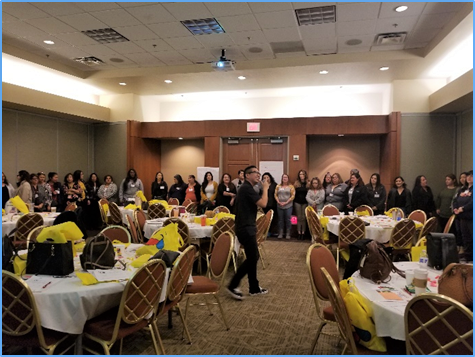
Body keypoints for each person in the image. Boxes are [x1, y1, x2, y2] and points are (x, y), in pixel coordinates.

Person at [227, 165, 269, 300]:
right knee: (253, 257)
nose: (258, 175)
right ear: (247, 175)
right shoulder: (246, 188)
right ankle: (233, 285)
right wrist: (266, 189)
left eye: (258, 172)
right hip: (245, 227)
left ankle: (254, 287)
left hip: (246, 226)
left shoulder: (247, 188)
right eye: (254, 173)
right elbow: (263, 203)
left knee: (253, 256)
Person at [452, 170, 473, 263]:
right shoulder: (462, 189)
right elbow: (456, 199)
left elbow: (472, 202)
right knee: (465, 237)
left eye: (471, 176)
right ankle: (468, 256)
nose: (469, 178)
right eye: (468, 176)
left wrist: (463, 208)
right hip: (462, 217)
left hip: (471, 217)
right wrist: (455, 208)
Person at [275, 173, 295, 239]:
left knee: (288, 219)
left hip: (288, 205)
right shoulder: (278, 186)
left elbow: (293, 196)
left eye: (286, 177)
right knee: (280, 219)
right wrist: (278, 201)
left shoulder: (291, 187)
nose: (284, 178)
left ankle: (288, 233)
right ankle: (280, 233)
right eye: (283, 177)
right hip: (279, 205)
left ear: (288, 179)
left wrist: (286, 202)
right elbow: (275, 194)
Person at [293, 170, 309, 240]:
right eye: (300, 174)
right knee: (299, 218)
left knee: (304, 218)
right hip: (297, 202)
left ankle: (303, 232)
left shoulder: (308, 183)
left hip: (305, 202)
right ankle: (299, 232)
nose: (301, 175)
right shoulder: (296, 183)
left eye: (303, 174)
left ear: (305, 175)